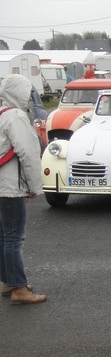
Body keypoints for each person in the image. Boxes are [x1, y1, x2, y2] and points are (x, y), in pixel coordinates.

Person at [0, 74, 46, 305]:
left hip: (1, 186)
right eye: (27, 91)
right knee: (13, 238)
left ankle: (9, 281)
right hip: (11, 187)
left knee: (4, 236)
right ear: (17, 92)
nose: (29, 96)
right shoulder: (16, 116)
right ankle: (19, 288)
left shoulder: (1, 114)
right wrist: (35, 187)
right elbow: (28, 153)